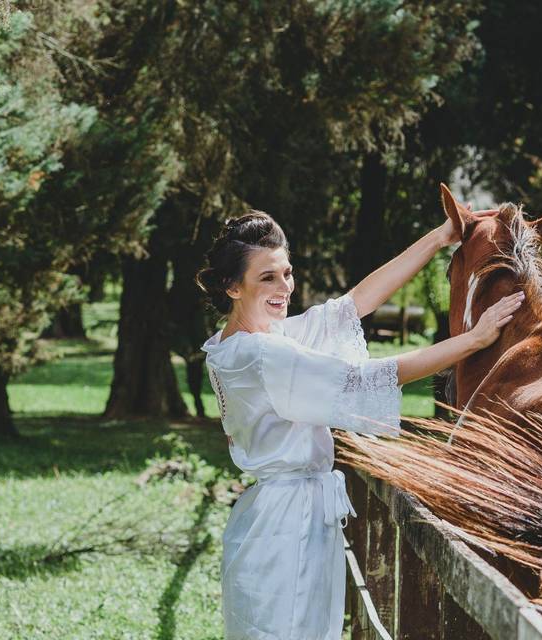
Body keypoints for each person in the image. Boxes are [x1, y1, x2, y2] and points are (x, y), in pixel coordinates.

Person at [195, 209, 523, 640]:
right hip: (287, 527)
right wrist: (473, 340)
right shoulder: (261, 355)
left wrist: (438, 237)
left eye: (287, 273)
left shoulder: (237, 343)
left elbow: (351, 306)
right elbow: (366, 379)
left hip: (272, 518)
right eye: (267, 278)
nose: (285, 288)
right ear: (232, 286)